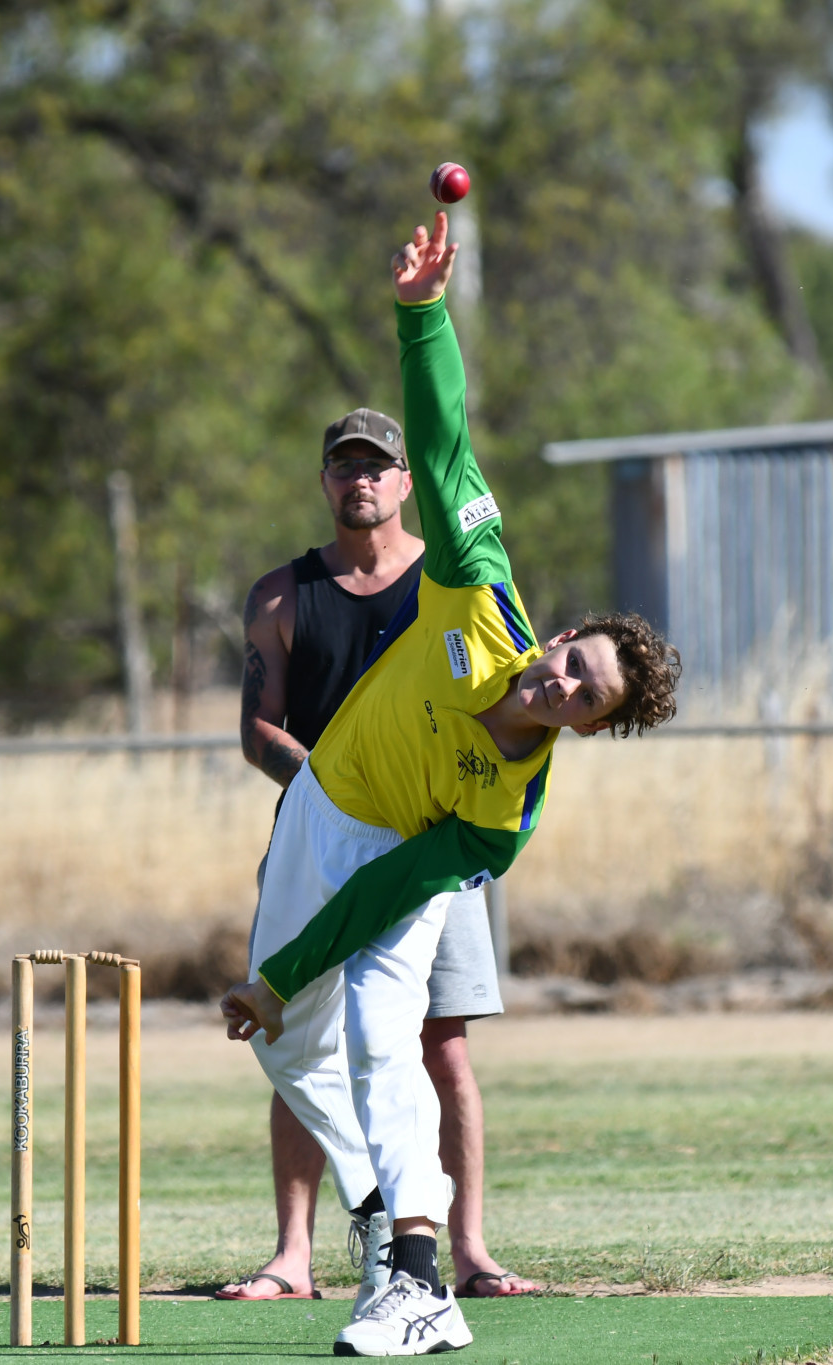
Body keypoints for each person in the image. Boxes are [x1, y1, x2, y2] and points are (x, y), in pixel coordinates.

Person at [220, 213, 681, 1356]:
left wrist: (288, 968)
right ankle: (383, 1213)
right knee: (284, 1049)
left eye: (584, 701)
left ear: (587, 726)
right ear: (560, 635)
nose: (560, 688)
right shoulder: (477, 586)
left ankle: (415, 1277)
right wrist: (420, 314)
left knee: (386, 1033)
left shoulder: (499, 816)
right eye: (572, 665)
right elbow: (443, 446)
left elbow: (392, 894)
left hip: (406, 856)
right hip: (323, 810)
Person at [222, 405, 535, 1305]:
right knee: (295, 1025)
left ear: (404, 481)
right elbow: (257, 729)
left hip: (435, 842)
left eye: (377, 465)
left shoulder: (446, 580)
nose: (360, 478)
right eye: (343, 465)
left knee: (443, 1043)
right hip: (318, 838)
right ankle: (294, 1253)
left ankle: (465, 1247)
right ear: (324, 481)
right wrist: (328, 788)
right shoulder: (282, 596)